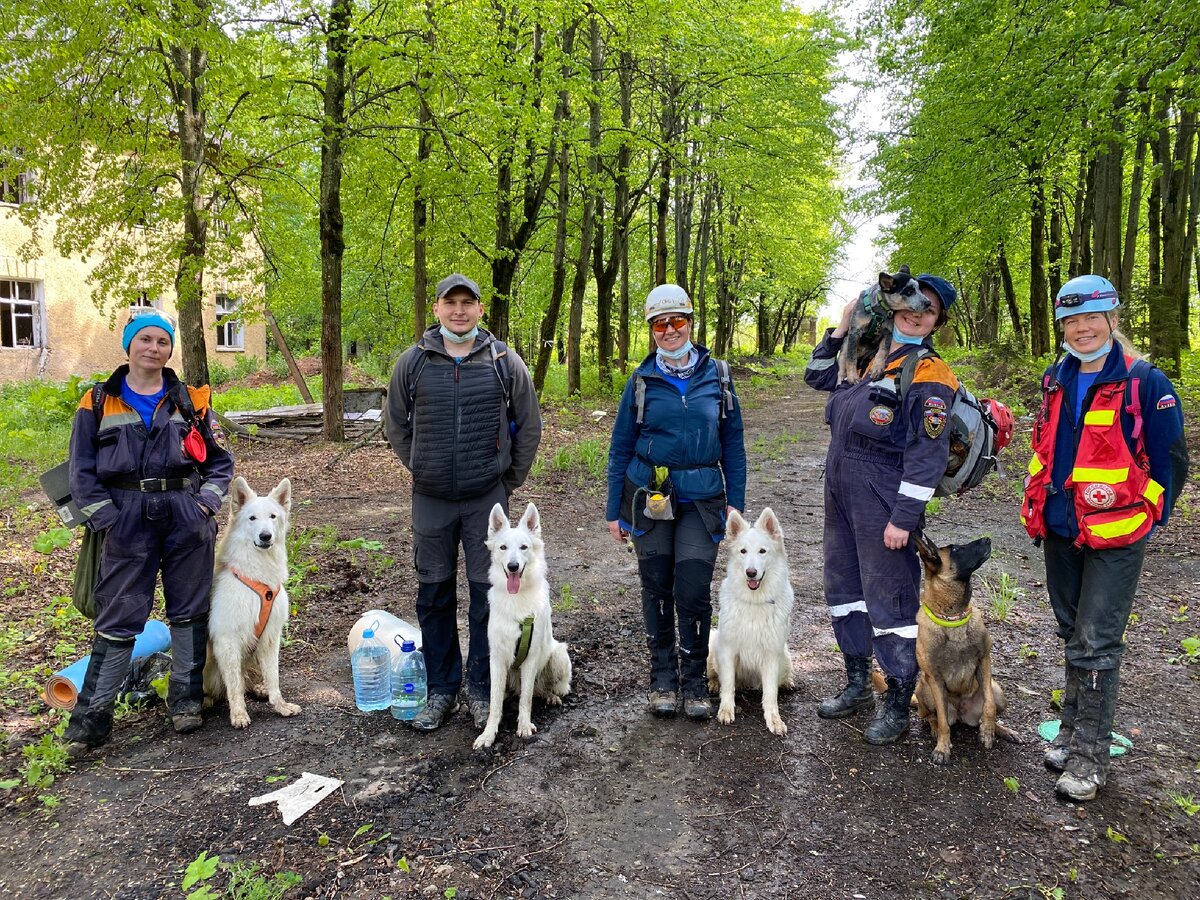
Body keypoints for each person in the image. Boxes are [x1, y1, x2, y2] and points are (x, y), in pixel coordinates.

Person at [1022, 274, 1187, 801]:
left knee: (1097, 640)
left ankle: (1091, 757)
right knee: (1072, 630)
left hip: (1116, 537)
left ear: (1112, 320)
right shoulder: (1055, 378)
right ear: (1062, 327)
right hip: (1061, 528)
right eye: (1072, 320)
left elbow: (1171, 463)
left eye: (1092, 318)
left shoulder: (1146, 382)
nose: (1082, 328)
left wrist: (1145, 519)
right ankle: (1070, 733)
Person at [64, 309, 234, 756]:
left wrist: (206, 504)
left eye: (162, 342)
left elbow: (219, 464)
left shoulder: (190, 401)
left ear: (169, 350)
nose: (153, 348)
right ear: (128, 345)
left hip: (185, 516)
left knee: (189, 611)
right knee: (118, 619)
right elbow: (81, 472)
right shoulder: (97, 402)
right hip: (126, 518)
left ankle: (186, 702)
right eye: (145, 340)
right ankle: (91, 722)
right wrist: (107, 518)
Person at [805, 273, 960, 744]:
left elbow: (928, 455)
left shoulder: (930, 373)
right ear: (892, 306)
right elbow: (816, 376)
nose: (916, 312)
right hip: (840, 493)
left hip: (883, 500)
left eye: (928, 309)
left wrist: (903, 519)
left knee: (890, 600)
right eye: (911, 303)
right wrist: (841, 328)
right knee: (844, 589)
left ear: (938, 321)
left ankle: (897, 697)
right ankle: (856, 682)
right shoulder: (869, 357)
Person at [384, 273, 542, 731]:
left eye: (467, 303)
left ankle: (479, 688)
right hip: (430, 499)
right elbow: (395, 424)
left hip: (485, 501)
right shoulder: (412, 363)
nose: (458, 311)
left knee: (485, 596)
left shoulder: (503, 362)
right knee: (433, 595)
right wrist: (422, 465)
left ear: (479, 309)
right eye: (450, 303)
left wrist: (504, 482)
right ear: (437, 308)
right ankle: (441, 690)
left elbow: (528, 427)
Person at [605, 284, 746, 720]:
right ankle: (662, 677)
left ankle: (694, 681)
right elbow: (620, 446)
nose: (669, 330)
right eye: (660, 324)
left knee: (692, 590)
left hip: (703, 500)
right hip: (650, 499)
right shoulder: (641, 381)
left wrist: (735, 504)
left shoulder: (718, 376)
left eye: (677, 321)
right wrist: (615, 509)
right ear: (651, 330)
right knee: (656, 588)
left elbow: (734, 445)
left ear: (690, 323)